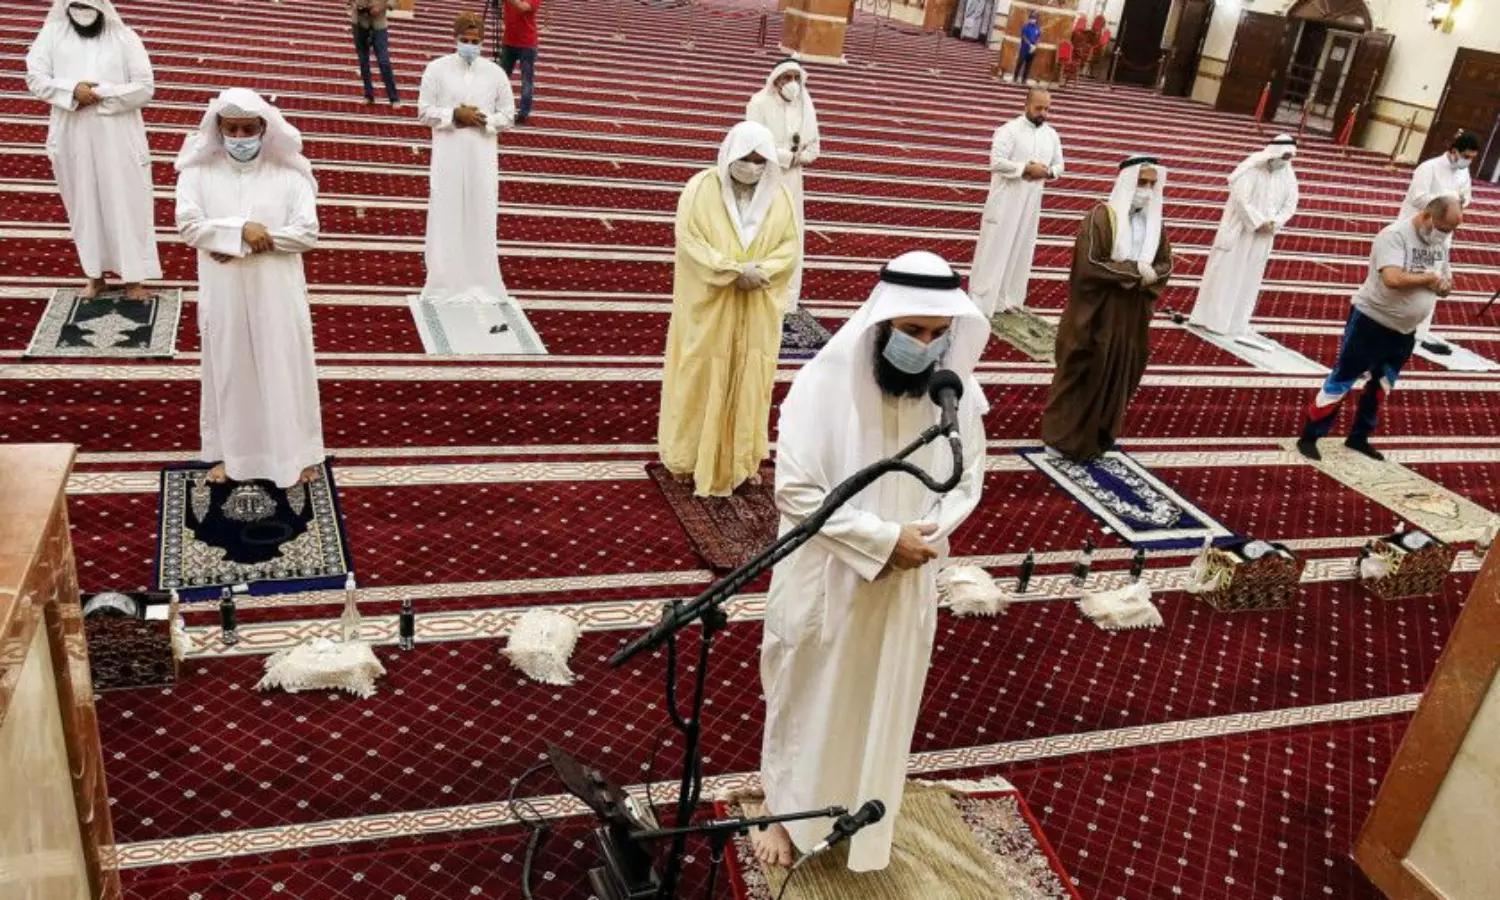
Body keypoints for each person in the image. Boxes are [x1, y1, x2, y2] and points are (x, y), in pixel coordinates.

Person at [752, 251, 989, 871]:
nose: (925, 345)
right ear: (881, 324)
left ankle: (858, 813)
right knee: (809, 693)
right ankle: (782, 807)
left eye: (938, 334)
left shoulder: (955, 392)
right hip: (829, 575)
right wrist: (883, 542)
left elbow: (966, 481)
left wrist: (922, 538)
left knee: (882, 700)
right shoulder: (823, 385)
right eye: (912, 330)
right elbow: (796, 493)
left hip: (908, 580)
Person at [174, 88, 323, 488]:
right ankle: (236, 458)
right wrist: (241, 231)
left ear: (264, 128)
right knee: (231, 370)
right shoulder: (197, 173)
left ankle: (295, 456)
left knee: (282, 369)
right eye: (232, 129)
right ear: (218, 130)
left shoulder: (290, 175)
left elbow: (307, 233)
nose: (240, 137)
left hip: (277, 293)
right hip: (224, 294)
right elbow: (189, 227)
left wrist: (237, 242)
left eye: (248, 129)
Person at [657, 122, 800, 498]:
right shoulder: (700, 189)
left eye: (759, 160)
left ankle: (742, 461)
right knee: (699, 376)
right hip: (710, 309)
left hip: (756, 310)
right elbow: (690, 241)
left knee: (751, 382)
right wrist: (732, 271)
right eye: (745, 158)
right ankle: (686, 458)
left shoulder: (780, 198)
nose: (751, 167)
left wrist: (761, 271)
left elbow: (789, 247)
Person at [1297, 196, 1461, 462]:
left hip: (1406, 330)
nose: (1445, 235)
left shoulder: (1439, 242)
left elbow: (1445, 281)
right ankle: (1310, 436)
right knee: (1344, 378)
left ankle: (1359, 436)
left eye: (1451, 231)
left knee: (1382, 383)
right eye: (1443, 228)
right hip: (1372, 321)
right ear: (1427, 215)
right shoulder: (1394, 236)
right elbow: (1392, 279)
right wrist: (1428, 279)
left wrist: (1443, 286)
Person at [1040, 155, 1173, 460]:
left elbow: (1165, 264)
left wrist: (1149, 274)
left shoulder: (1155, 225)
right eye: (1141, 182)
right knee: (1083, 370)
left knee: (1119, 374)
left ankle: (1098, 437)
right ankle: (1062, 438)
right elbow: (1090, 264)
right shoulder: (1100, 218)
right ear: (1127, 182)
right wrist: (1135, 272)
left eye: (1152, 184)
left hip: (1132, 316)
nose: (1146, 190)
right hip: (1096, 312)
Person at [25, 0, 160, 301]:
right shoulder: (51, 35)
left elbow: (144, 86)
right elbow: (35, 78)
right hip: (71, 134)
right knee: (83, 205)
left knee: (127, 202)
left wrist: (100, 94)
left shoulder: (125, 37)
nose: (82, 11)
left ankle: (134, 280)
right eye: (76, 5)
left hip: (118, 135)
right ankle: (94, 277)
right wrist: (72, 90)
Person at [418, 12, 516, 302]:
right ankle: (444, 280)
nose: (470, 46)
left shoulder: (495, 73)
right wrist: (454, 115)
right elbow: (423, 112)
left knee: (480, 212)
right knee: (447, 212)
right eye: (465, 40)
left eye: (475, 41)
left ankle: (479, 280)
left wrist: (484, 120)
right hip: (448, 156)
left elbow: (508, 115)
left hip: (482, 157)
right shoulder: (437, 69)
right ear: (455, 38)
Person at [1188, 135, 1299, 342]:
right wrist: (1258, 221)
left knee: (1249, 278)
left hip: (1264, 236)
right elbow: (1241, 200)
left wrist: (1275, 222)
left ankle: (1236, 323)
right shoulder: (1251, 168)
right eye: (1284, 156)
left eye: (1289, 157)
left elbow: (1290, 205)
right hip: (1239, 231)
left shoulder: (1288, 175)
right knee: (1226, 274)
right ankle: (1211, 320)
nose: (1285, 161)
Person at [969, 87, 1063, 316]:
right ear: (1026, 105)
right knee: (995, 249)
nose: (1043, 113)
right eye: (1039, 108)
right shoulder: (1008, 130)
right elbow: (996, 162)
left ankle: (1008, 301)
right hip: (1005, 202)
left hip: (1030, 204)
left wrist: (1048, 172)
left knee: (1021, 249)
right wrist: (1025, 169)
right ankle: (982, 301)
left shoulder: (1051, 135)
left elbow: (1060, 165)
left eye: (1047, 109)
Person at [746, 58, 819, 313]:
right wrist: (790, 157)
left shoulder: (805, 106)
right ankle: (754, 287)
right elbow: (753, 142)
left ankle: (786, 300)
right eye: (787, 78)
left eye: (796, 78)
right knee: (762, 230)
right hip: (763, 175)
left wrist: (801, 158)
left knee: (790, 234)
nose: (792, 83)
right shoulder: (759, 103)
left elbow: (815, 146)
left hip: (793, 181)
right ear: (776, 80)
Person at [1397, 131, 1477, 351]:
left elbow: (1466, 197)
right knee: (1408, 276)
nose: (1468, 161)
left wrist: (1460, 201)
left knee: (1434, 278)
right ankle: (1398, 325)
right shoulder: (1428, 167)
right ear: (1454, 151)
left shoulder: (1463, 172)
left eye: (1472, 158)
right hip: (1415, 229)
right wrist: (1447, 201)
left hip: (1443, 233)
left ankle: (1419, 334)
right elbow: (1418, 198)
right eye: (1466, 156)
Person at [348, 0, 401, 107]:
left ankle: (394, 98)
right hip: (359, 22)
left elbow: (394, 1)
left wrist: (381, 8)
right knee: (363, 60)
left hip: (379, 24)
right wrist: (356, 6)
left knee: (383, 61)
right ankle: (368, 95)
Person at [499, 0, 541, 125]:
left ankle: (524, 112)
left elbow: (522, 7)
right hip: (508, 41)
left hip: (527, 44)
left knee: (526, 81)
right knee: (501, 77)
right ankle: (498, 106)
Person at [1015, 11, 1041, 83]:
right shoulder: (1025, 27)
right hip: (1024, 49)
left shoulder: (1037, 28)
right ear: (1029, 19)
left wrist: (1035, 45)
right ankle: (1015, 77)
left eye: (1034, 18)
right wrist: (1030, 45)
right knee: (1020, 63)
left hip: (1032, 50)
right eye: (1031, 18)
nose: (1033, 20)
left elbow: (1038, 37)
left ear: (1036, 19)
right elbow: (1023, 37)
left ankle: (1024, 80)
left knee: (1028, 65)